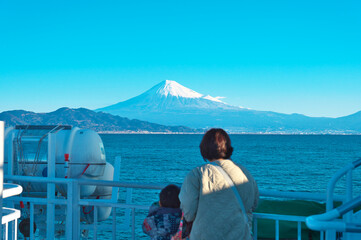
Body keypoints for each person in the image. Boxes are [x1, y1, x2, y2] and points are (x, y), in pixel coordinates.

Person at [179, 128, 259, 240]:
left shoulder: (197, 175)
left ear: (204, 149)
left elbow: (189, 212)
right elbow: (253, 204)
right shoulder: (245, 173)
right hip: (241, 235)